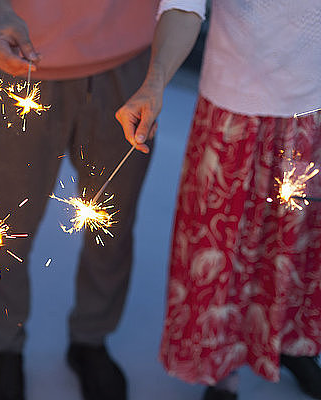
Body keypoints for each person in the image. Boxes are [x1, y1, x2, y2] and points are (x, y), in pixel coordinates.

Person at [115, 1, 321, 399]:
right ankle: (219, 372)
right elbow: (184, 3)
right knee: (219, 249)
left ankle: (287, 343)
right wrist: (155, 81)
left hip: (313, 110)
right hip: (234, 105)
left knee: (298, 244)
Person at [0, 1, 158, 399]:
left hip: (128, 63)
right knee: (3, 225)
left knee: (112, 219)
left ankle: (91, 337)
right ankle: (3, 345)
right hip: (18, 55)